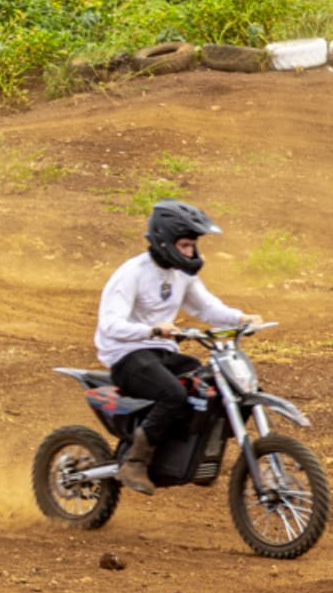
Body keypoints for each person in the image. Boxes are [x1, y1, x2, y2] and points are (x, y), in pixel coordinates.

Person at [94, 201, 260, 495]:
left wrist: (240, 318)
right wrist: (152, 330)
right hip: (125, 353)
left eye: (193, 246)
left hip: (161, 351)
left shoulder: (182, 275)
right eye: (184, 245)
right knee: (173, 393)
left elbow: (206, 307)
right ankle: (135, 462)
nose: (190, 252)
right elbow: (110, 324)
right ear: (165, 241)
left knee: (210, 387)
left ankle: (191, 455)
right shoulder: (132, 274)